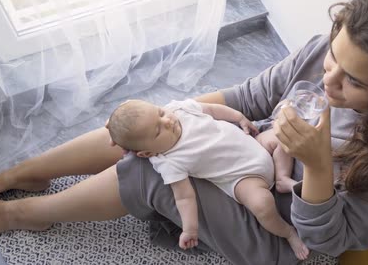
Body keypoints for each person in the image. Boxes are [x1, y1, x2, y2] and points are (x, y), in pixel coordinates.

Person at [0, 0, 368, 265]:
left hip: (281, 231)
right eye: (332, 59)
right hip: (253, 152)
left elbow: (330, 241)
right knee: (152, 125)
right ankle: (29, 171)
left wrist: (318, 167)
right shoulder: (317, 58)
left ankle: (31, 214)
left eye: (353, 82)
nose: (330, 80)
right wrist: (177, 117)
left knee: (154, 168)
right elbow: (250, 96)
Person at [105, 99, 309, 259]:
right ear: (147, 153)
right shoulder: (168, 161)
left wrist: (239, 117)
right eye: (158, 131)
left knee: (282, 136)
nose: (167, 121)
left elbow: (212, 109)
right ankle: (288, 233)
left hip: (257, 145)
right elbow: (184, 197)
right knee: (262, 205)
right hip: (244, 178)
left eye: (160, 113)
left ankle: (282, 177)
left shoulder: (179, 109)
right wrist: (190, 229)